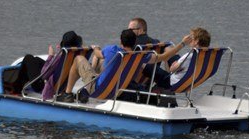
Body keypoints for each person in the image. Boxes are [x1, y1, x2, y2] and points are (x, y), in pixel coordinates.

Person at [58, 29, 191, 102]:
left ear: (121, 41)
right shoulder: (140, 55)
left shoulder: (112, 50)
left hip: (99, 89)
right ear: (135, 42)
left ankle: (67, 94)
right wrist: (182, 44)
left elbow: (97, 54)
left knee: (79, 59)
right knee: (106, 63)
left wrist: (95, 47)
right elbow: (164, 57)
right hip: (118, 90)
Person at [39, 30, 83, 101]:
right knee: (36, 60)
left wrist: (51, 56)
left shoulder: (62, 57)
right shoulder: (79, 55)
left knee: (29, 59)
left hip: (52, 87)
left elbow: (43, 75)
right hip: (65, 83)